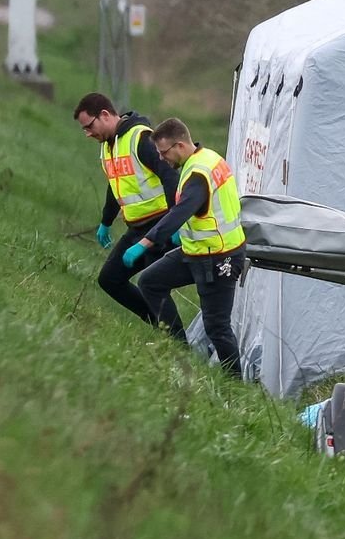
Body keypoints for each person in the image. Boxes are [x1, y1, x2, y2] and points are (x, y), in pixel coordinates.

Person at [122, 118, 244, 375]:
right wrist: (182, 235)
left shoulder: (198, 174)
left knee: (217, 327)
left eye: (164, 153)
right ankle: (180, 351)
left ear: (179, 145)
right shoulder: (206, 159)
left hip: (219, 257)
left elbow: (180, 212)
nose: (162, 159)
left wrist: (145, 243)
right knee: (150, 282)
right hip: (196, 251)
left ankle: (236, 386)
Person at [74, 93, 178, 325]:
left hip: (160, 226)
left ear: (104, 115)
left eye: (89, 126)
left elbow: (171, 177)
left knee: (152, 285)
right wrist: (106, 221)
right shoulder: (108, 146)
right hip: (136, 228)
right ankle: (158, 324)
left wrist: (174, 222)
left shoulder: (141, 138)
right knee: (110, 280)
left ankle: (177, 340)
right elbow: (115, 185)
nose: (88, 134)